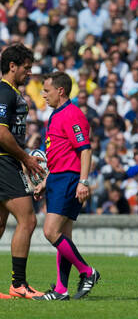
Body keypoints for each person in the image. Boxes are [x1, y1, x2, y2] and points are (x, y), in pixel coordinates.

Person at [33, 72, 100, 301]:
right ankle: (61, 289)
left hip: (68, 179)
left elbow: (85, 149)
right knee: (63, 236)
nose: (44, 95)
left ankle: (87, 272)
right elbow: (58, 152)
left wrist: (83, 181)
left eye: (47, 90)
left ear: (60, 90)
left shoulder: (72, 114)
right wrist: (46, 180)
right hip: (57, 177)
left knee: (50, 232)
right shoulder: (55, 115)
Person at [0, 44, 46, 300]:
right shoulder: (4, 92)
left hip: (8, 160)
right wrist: (25, 158)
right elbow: (1, 132)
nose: (29, 73)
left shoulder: (11, 92)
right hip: (4, 161)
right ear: (12, 66)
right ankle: (19, 284)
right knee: (27, 220)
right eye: (26, 68)